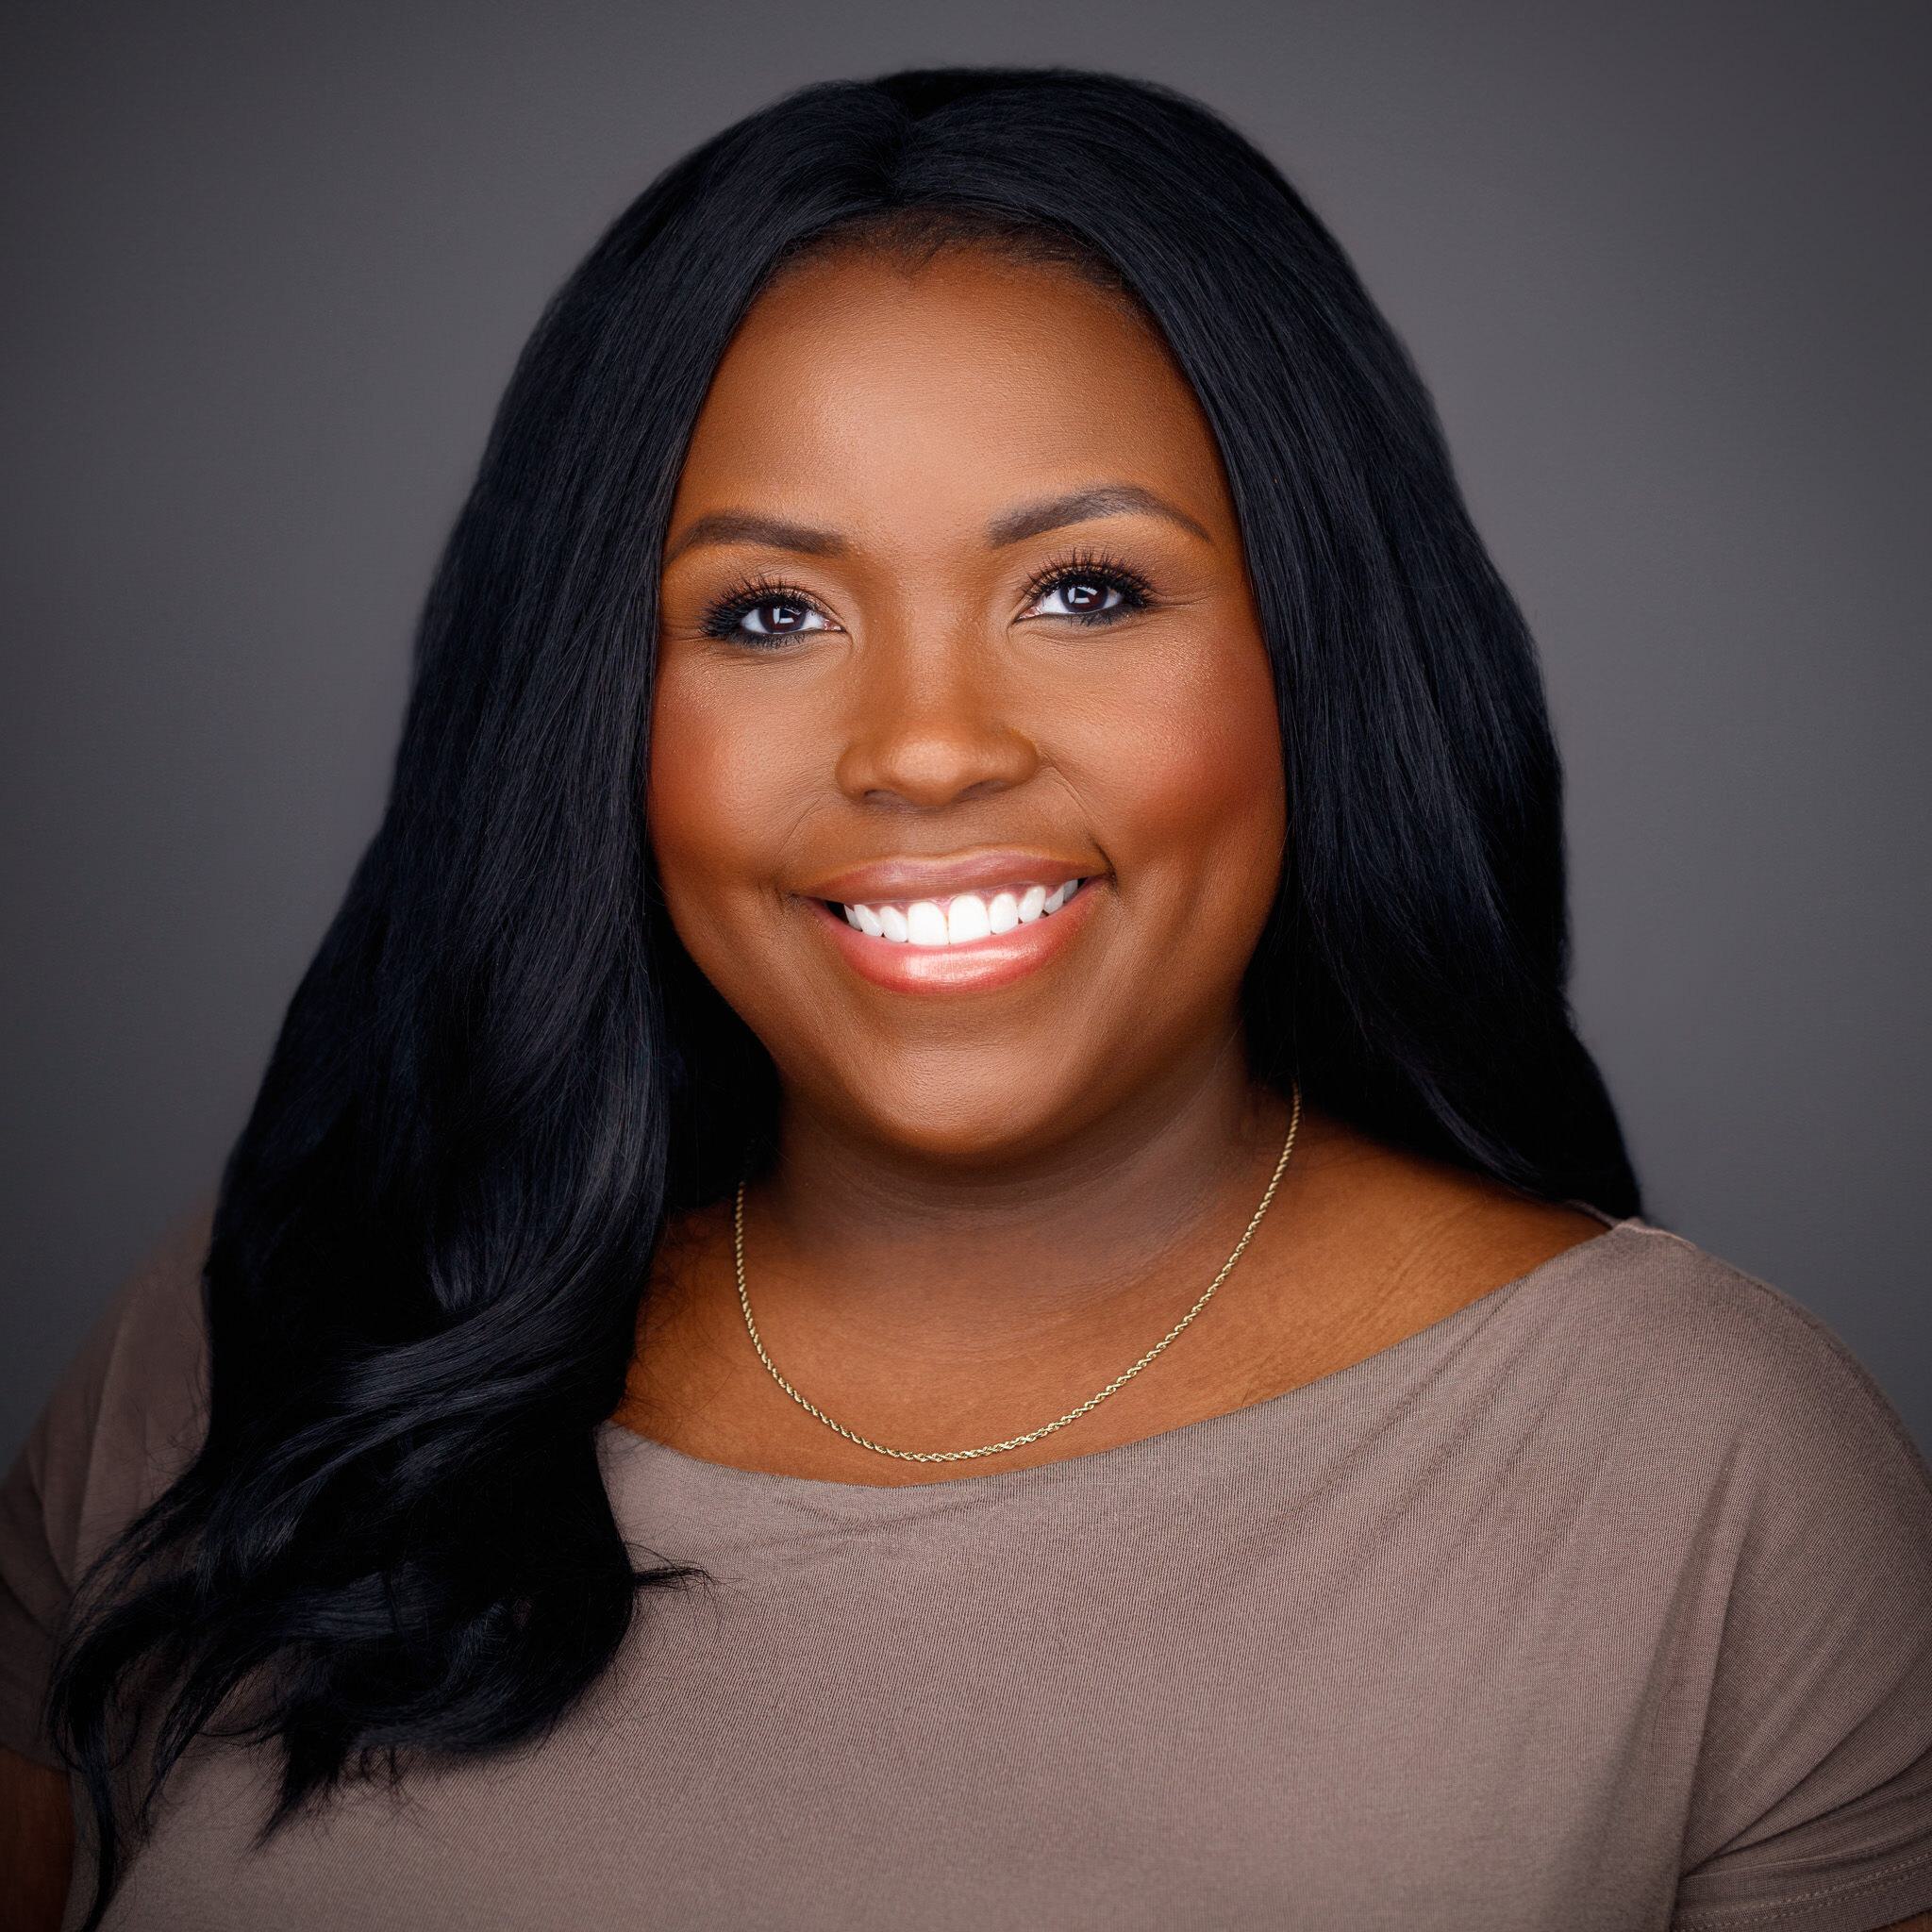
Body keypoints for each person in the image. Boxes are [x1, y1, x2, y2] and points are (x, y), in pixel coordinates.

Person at [3, 63, 1928, 1932]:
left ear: (1315, 655)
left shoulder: (1703, 1470)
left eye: (1085, 590)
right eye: (769, 613)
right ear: (594, 708)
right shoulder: (295, 1322)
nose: (925, 749)